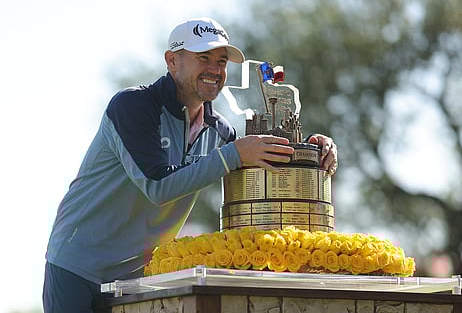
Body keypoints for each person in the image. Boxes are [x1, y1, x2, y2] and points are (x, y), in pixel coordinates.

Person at [43, 17, 338, 312]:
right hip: (78, 268)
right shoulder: (133, 106)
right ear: (172, 61)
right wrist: (233, 155)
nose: (215, 69)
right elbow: (157, 186)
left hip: (137, 279)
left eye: (222, 61)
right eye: (204, 58)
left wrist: (309, 148)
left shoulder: (221, 132)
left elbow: (256, 162)